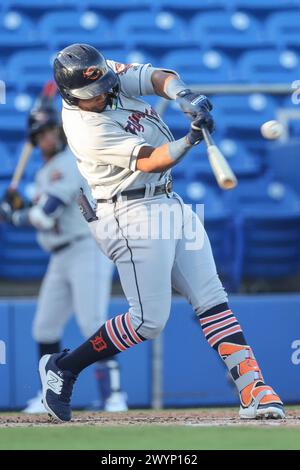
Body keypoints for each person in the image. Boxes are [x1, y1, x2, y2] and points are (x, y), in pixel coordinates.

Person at [38, 43, 284, 422]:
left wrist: (185, 96)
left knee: (212, 298)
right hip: (128, 211)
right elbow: (152, 161)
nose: (102, 93)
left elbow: (159, 77)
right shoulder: (85, 127)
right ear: (72, 95)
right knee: (147, 321)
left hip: (168, 201)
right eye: (92, 93)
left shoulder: (105, 75)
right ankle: (65, 367)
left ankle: (253, 387)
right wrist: (190, 139)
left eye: (103, 83)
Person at [0, 100, 127, 413]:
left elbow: (44, 216)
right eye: (42, 133)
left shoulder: (70, 161)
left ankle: (114, 395)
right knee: (44, 327)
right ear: (34, 138)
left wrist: (15, 215)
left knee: (92, 323)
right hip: (60, 255)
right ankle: (49, 395)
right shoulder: (44, 171)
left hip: (86, 248)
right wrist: (14, 209)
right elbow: (37, 211)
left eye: (51, 130)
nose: (48, 137)